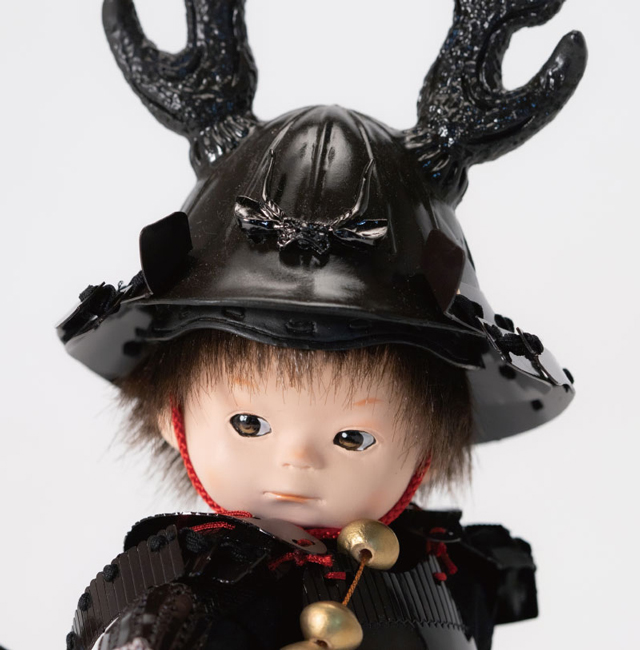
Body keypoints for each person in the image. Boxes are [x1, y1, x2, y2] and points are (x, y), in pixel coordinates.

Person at [58, 1, 587, 648]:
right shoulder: (180, 598)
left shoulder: (444, 576)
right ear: (174, 418)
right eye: (248, 423)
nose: (297, 460)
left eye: (353, 437)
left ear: (431, 439)